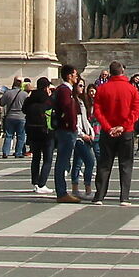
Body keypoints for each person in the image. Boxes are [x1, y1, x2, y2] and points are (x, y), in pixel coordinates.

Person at [91, 62, 139, 204]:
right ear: (122, 72)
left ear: (110, 72)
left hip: (108, 132)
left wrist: (108, 127)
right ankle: (124, 197)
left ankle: (99, 196)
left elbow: (97, 111)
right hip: (126, 132)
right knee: (125, 164)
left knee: (104, 164)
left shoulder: (102, 88)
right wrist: (123, 127)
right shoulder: (132, 89)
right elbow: (136, 111)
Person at [50, 65, 87, 203]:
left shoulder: (65, 90)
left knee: (64, 160)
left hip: (67, 129)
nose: (77, 77)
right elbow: (68, 110)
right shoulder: (65, 90)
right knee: (63, 161)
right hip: (66, 130)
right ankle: (61, 192)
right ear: (69, 76)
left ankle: (62, 191)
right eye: (75, 74)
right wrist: (72, 126)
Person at [25, 77, 55, 194]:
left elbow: (24, 110)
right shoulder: (47, 99)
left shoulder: (30, 99)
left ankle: (35, 182)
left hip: (32, 131)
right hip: (45, 131)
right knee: (47, 159)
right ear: (46, 87)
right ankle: (42, 183)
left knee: (36, 158)